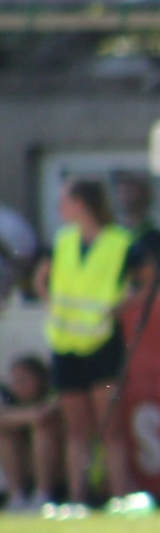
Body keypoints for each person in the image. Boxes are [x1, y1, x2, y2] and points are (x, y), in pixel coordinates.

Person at [37, 178, 135, 504]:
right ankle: (77, 501)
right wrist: (51, 303)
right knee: (77, 431)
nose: (59, 208)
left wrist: (122, 302)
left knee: (111, 429)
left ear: (81, 203)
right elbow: (42, 277)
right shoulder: (63, 240)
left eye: (64, 201)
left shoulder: (119, 240)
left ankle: (119, 498)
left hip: (102, 342)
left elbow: (145, 277)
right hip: (66, 344)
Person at [0, 356, 62, 510]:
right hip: (27, 468)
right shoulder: (10, 399)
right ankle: (17, 497)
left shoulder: (54, 394)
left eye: (24, 380)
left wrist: (22, 416)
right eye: (15, 381)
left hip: (59, 473)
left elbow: (42, 416)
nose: (18, 386)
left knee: (43, 430)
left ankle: (43, 494)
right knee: (5, 435)